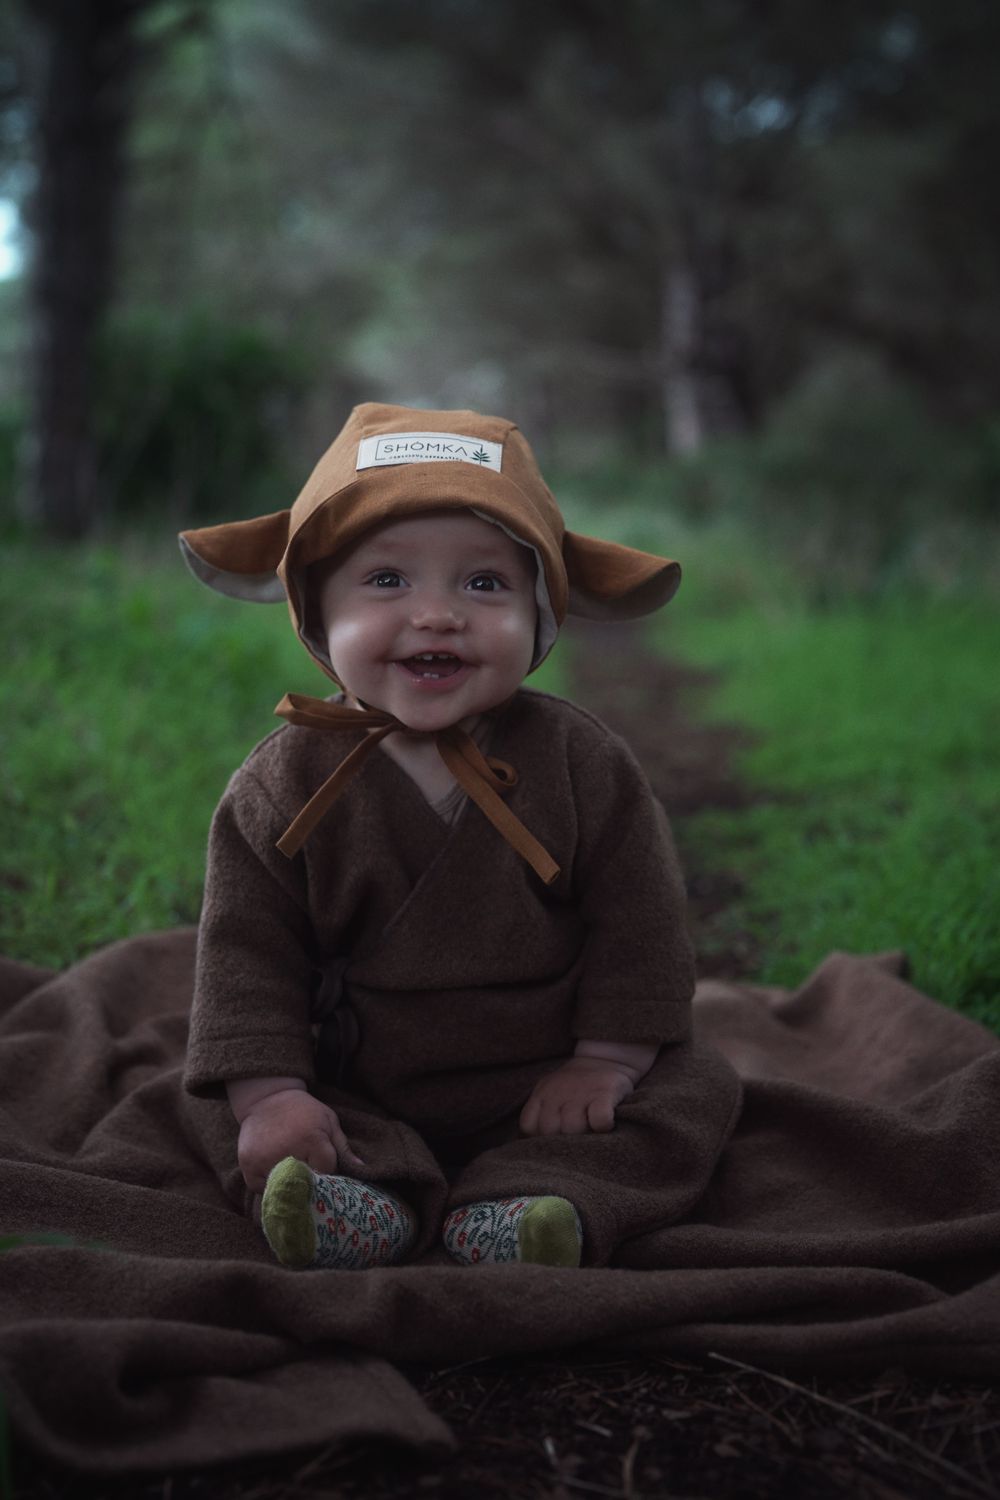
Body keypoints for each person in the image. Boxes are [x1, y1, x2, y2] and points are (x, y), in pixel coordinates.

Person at [179, 402, 739, 1271]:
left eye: (484, 585)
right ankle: (360, 1203)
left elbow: (640, 923)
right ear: (316, 608)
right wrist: (271, 1094)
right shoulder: (281, 784)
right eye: (387, 580)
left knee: (694, 1088)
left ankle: (535, 1206)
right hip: (360, 1078)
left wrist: (605, 1063)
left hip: (545, 1080)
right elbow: (247, 953)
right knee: (224, 1103)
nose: (438, 615)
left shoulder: (583, 762)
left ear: (541, 610)